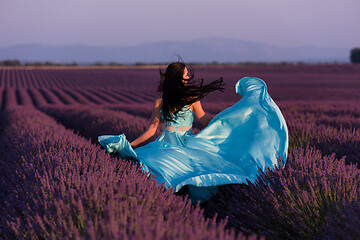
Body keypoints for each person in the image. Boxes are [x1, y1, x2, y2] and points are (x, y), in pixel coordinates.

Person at [98, 62, 288, 203]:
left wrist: (130, 146)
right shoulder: (189, 98)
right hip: (186, 145)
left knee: (164, 174)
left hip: (165, 146)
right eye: (186, 74)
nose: (188, 76)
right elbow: (204, 121)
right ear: (180, 78)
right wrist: (226, 125)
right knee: (198, 172)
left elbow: (151, 131)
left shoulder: (161, 100)